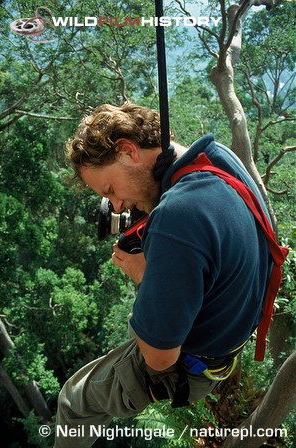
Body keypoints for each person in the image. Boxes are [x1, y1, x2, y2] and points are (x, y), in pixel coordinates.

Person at [54, 102, 273, 447]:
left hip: (191, 366)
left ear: (128, 150)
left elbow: (160, 357)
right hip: (230, 331)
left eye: (110, 190)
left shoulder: (176, 218)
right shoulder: (220, 158)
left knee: (73, 402)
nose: (116, 207)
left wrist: (145, 276)